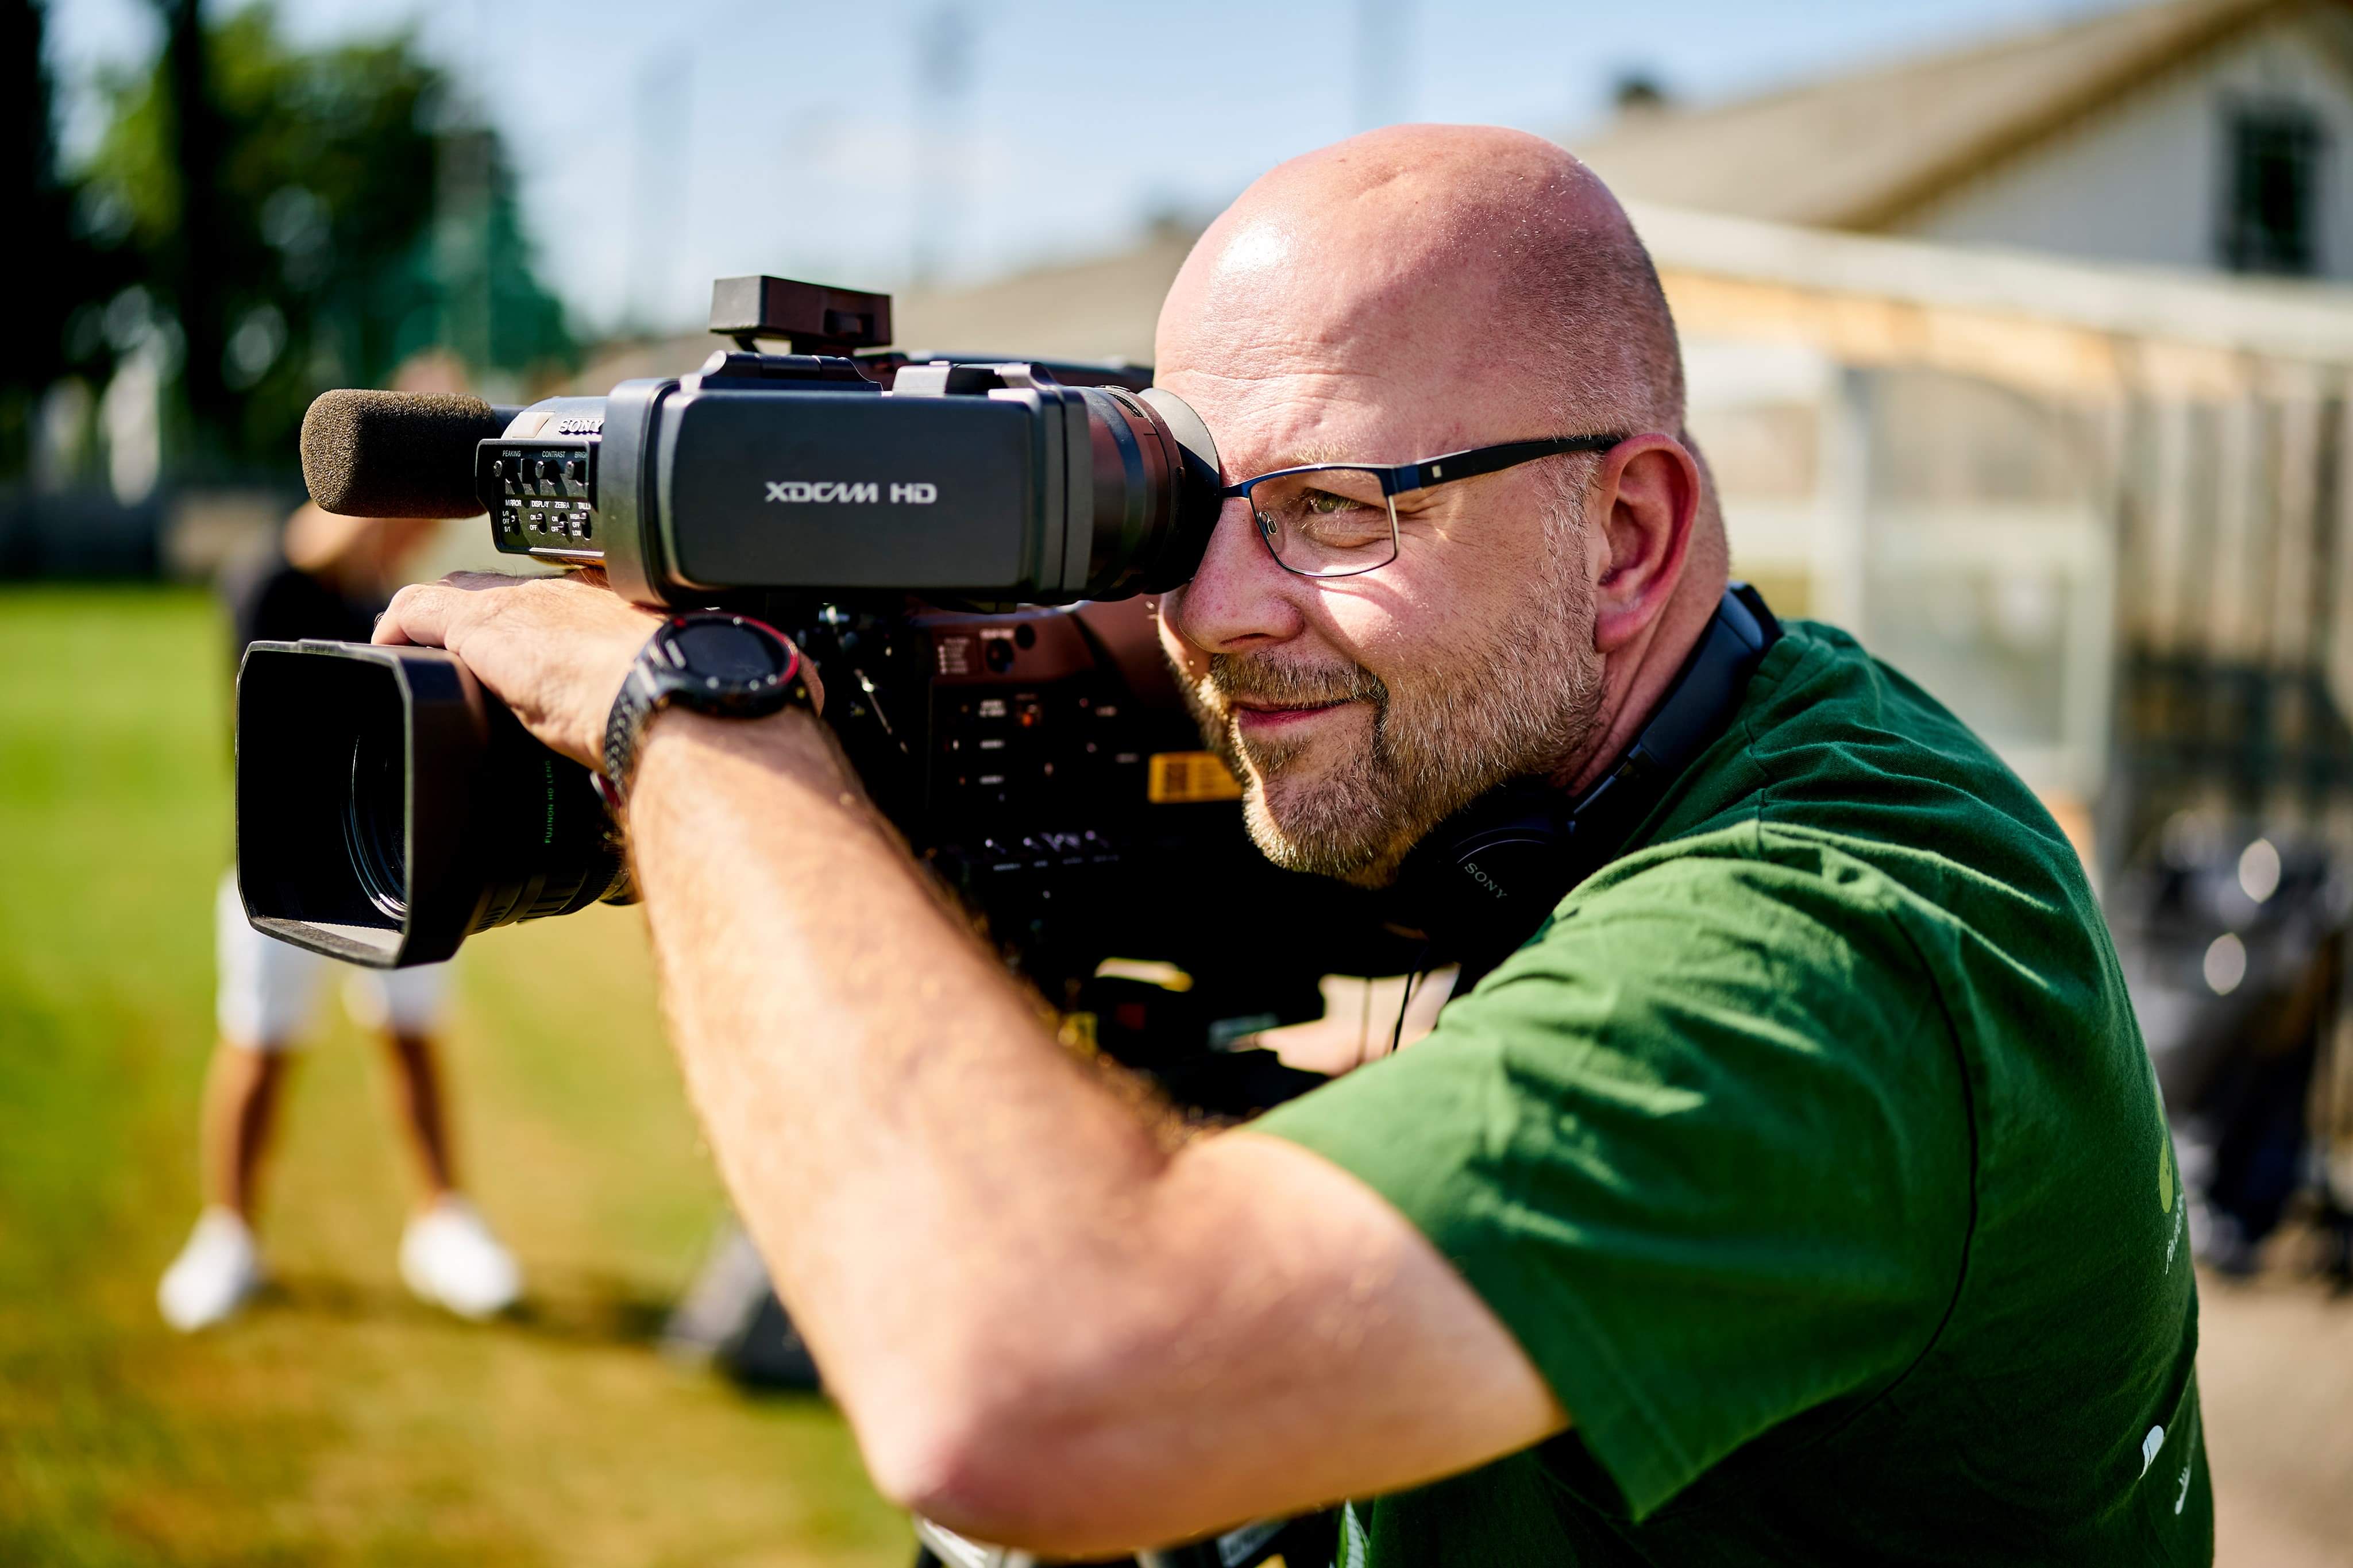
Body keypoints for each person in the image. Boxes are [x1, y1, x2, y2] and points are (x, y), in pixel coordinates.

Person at [371, 126, 2207, 1564]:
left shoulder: (1835, 942)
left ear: (1632, 534)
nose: (1217, 618)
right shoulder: (1564, 767)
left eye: (1333, 508)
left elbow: (1025, 1388)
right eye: (1184, 514)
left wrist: (693, 717)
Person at [159, 500, 523, 1333]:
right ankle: (230, 1237)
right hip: (280, 873)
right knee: (258, 1047)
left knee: (411, 1041)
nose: (417, 541)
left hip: (393, 872)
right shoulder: (265, 583)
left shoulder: (384, 602)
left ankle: (441, 1223)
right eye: (406, 520)